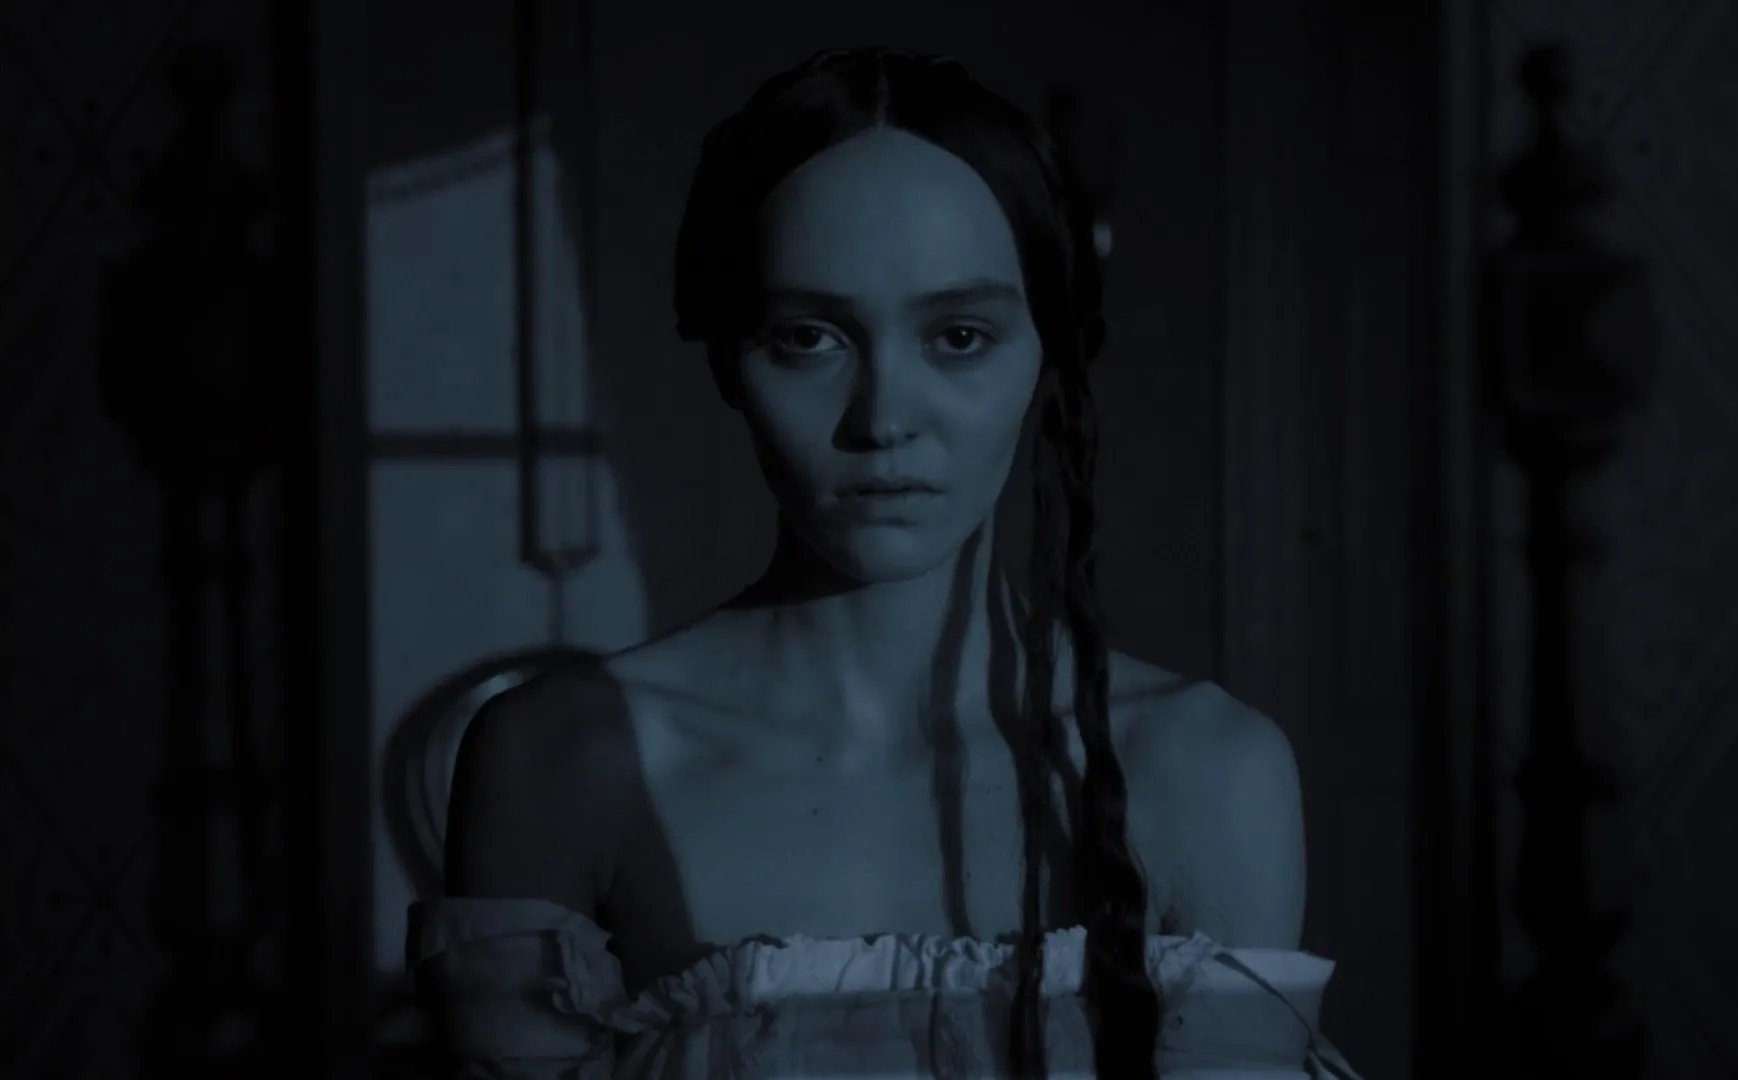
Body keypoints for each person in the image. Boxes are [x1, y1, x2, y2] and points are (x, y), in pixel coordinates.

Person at [408, 47, 1362, 1080]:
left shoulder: (1204, 767)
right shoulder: (563, 758)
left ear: (1047, 354)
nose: (884, 418)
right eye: (810, 338)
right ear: (728, 357)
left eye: (959, 336)